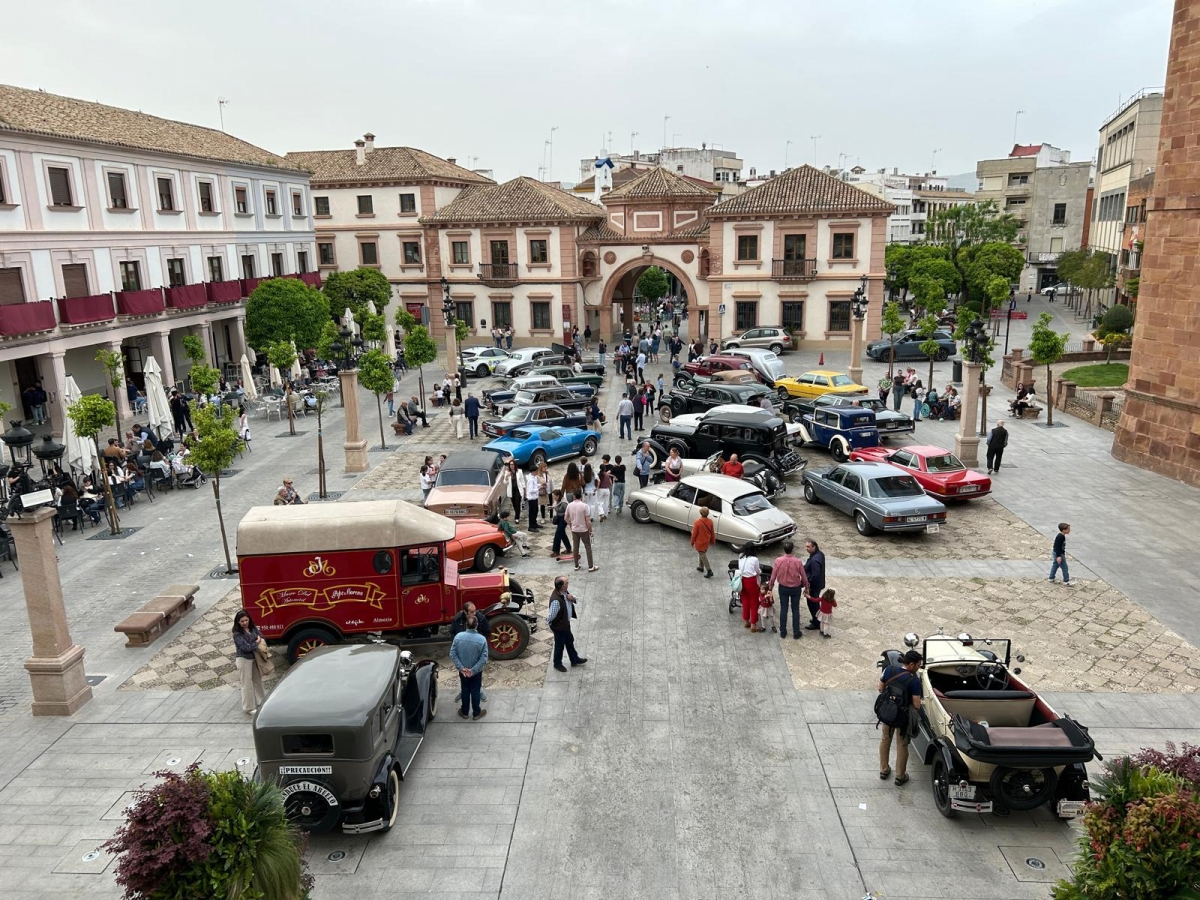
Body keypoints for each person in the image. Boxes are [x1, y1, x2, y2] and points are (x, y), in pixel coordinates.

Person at [878, 649, 924, 785]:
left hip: (888, 711)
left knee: (885, 739)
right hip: (903, 717)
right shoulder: (914, 681)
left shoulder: (889, 670)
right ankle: (900, 776)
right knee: (902, 744)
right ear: (911, 664)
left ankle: (884, 770)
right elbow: (916, 704)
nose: (918, 667)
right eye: (918, 665)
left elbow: (880, 688)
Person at [448, 613, 489, 720]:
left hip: (463, 671)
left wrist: (461, 668)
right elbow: (484, 658)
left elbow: (452, 654)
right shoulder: (482, 639)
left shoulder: (458, 637)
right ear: (477, 625)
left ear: (466, 625)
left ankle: (464, 712)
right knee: (475, 691)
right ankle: (476, 713)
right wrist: (473, 670)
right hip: (476, 672)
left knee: (465, 690)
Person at [767, 541, 809, 639]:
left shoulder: (778, 560)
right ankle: (796, 632)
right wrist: (807, 587)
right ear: (792, 549)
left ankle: (783, 631)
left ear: (784, 549)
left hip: (783, 588)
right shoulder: (797, 561)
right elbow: (803, 576)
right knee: (795, 609)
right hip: (796, 588)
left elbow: (773, 576)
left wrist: (770, 588)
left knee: (784, 609)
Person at [547, 575, 587, 672]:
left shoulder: (564, 593)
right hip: (559, 626)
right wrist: (551, 623)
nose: (568, 584)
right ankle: (557, 664)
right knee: (559, 645)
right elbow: (551, 615)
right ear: (562, 587)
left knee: (569, 641)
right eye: (567, 583)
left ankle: (574, 659)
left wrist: (572, 598)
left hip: (565, 624)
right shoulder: (556, 600)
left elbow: (574, 599)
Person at [232, 609, 266, 715]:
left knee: (257, 680)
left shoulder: (252, 628)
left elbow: (261, 636)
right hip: (243, 659)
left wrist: (256, 641)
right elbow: (246, 647)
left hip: (254, 658)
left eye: (246, 620)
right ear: (238, 622)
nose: (244, 623)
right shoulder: (237, 634)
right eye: (242, 621)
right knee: (246, 683)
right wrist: (256, 642)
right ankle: (249, 707)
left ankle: (261, 701)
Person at [566, 489, 596, 572]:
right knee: (588, 547)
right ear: (581, 496)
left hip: (574, 529)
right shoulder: (585, 506)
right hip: (583, 529)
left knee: (576, 547)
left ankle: (576, 565)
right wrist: (590, 530)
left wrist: (570, 524)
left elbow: (566, 518)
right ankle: (590, 566)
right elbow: (587, 520)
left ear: (574, 496)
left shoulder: (569, 505)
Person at [736, 548, 762, 632]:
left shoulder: (740, 557)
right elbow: (758, 571)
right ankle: (753, 624)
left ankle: (746, 621)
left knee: (745, 601)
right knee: (754, 603)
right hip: (751, 581)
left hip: (743, 580)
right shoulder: (755, 559)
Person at [803, 539, 826, 630]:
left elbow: (815, 575)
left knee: (813, 604)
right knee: (814, 603)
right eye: (806, 546)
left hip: (814, 586)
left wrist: (808, 586)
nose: (806, 548)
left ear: (814, 547)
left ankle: (816, 622)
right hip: (818, 584)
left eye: (808, 547)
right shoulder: (820, 554)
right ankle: (816, 619)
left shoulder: (815, 560)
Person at [690, 506, 715, 578]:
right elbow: (712, 532)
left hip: (699, 542)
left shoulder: (697, 522)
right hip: (706, 542)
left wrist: (692, 542)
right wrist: (713, 541)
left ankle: (709, 570)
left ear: (701, 513)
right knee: (702, 554)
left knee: (703, 556)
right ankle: (701, 567)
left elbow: (694, 534)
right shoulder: (710, 521)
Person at [550, 489, 569, 556]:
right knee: (563, 534)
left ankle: (556, 551)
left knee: (557, 535)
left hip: (563, 519)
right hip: (559, 518)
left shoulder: (564, 503)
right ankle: (568, 548)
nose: (553, 498)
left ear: (558, 496)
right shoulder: (556, 502)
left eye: (554, 496)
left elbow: (568, 512)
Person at [596, 458, 613, 523]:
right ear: (605, 469)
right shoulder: (607, 475)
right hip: (607, 489)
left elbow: (597, 482)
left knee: (599, 502)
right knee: (606, 502)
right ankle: (605, 514)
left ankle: (601, 513)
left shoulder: (599, 474)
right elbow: (610, 483)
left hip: (600, 489)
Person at [525, 467, 541, 531]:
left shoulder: (534, 478)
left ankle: (534, 523)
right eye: (536, 471)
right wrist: (538, 489)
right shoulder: (530, 480)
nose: (537, 472)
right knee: (532, 512)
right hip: (532, 498)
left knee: (536, 511)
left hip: (535, 497)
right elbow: (531, 490)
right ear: (533, 472)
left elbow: (535, 485)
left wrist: (540, 485)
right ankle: (531, 526)